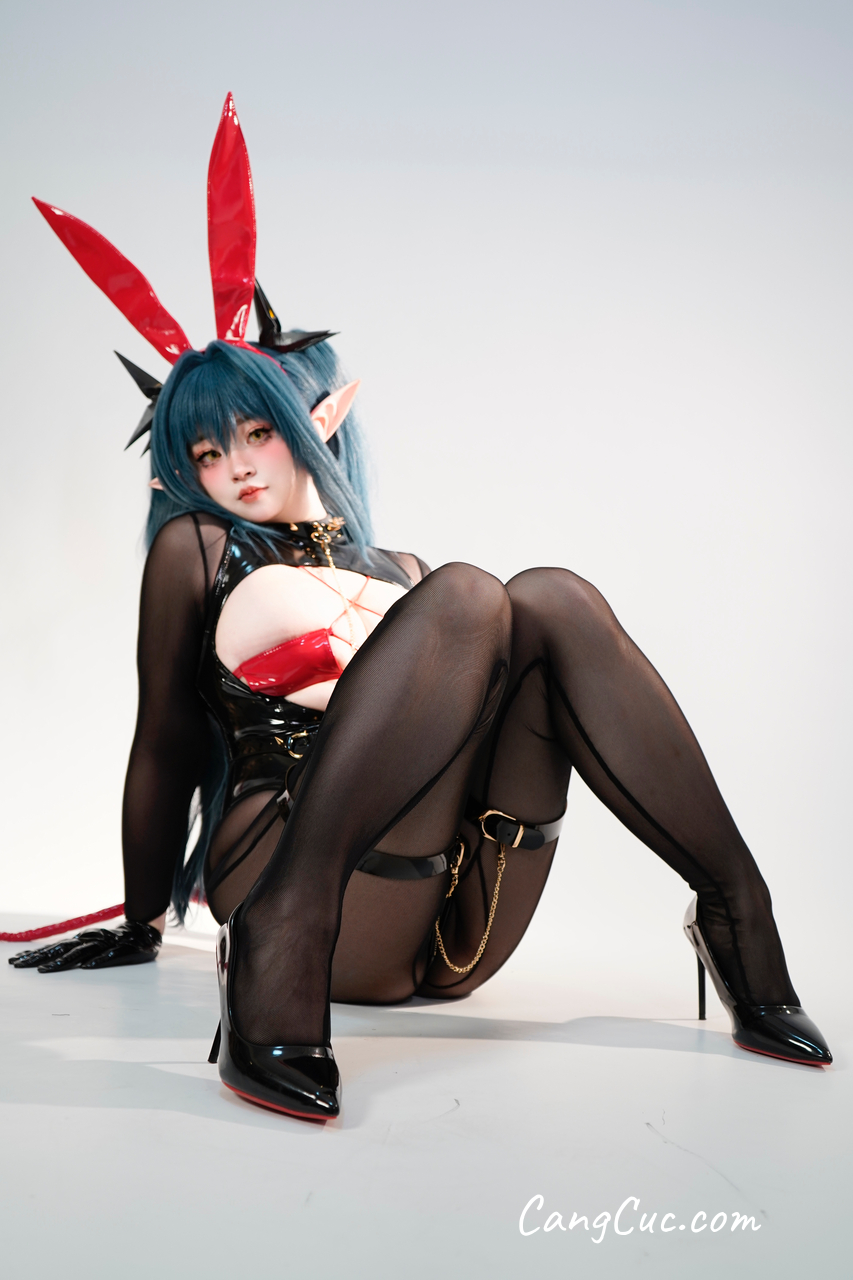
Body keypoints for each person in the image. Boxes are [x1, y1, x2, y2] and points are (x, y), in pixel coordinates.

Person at [10, 95, 832, 1120]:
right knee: (471, 597)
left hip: (450, 925)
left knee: (548, 599)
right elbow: (165, 736)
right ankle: (279, 936)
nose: (235, 468)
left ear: (321, 416)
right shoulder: (201, 550)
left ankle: (735, 906)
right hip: (291, 886)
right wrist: (142, 917)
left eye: (255, 432)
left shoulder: (406, 573)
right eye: (206, 453)